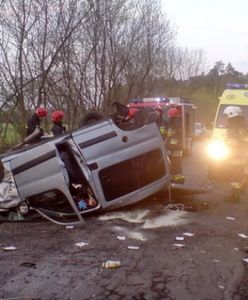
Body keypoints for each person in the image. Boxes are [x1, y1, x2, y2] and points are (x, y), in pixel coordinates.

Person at [223, 106, 248, 200]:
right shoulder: (241, 124)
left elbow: (234, 142)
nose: (225, 118)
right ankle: (240, 190)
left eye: (226, 116)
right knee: (242, 174)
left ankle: (234, 196)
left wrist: (225, 143)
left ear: (231, 115)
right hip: (241, 154)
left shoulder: (235, 127)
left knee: (235, 176)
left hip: (237, 155)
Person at [166, 106, 185, 184]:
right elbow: (170, 136)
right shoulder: (172, 123)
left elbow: (175, 138)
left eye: (169, 115)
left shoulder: (176, 124)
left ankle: (179, 181)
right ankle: (173, 181)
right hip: (173, 149)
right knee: (173, 167)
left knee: (176, 167)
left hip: (175, 150)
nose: (168, 116)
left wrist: (170, 148)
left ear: (171, 115)